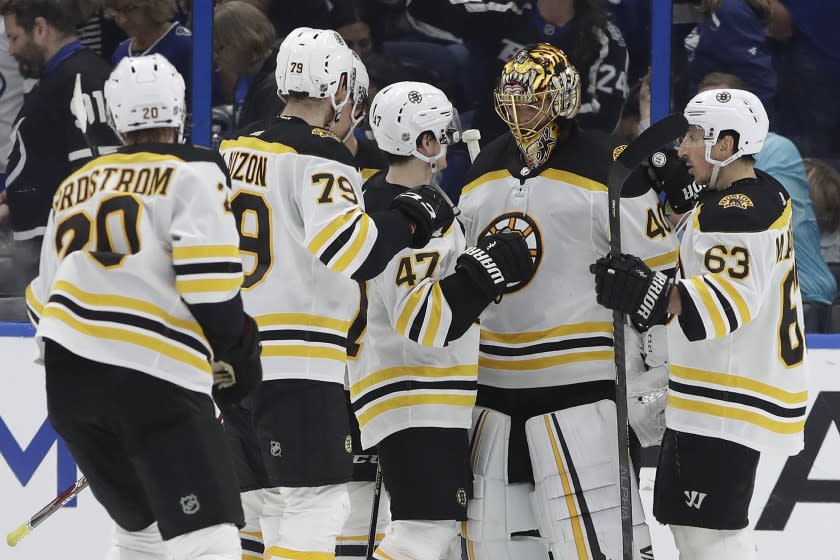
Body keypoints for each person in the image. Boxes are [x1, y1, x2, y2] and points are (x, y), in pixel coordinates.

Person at [219, 27, 456, 560]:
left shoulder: (232, 146)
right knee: (313, 508)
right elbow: (353, 250)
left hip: (237, 361)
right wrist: (410, 219)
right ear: (337, 84)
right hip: (299, 364)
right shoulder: (321, 151)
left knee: (259, 518)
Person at [24, 54, 262, 560]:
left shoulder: (73, 186)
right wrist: (240, 358)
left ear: (112, 117)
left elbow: (40, 301)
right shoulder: (194, 172)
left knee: (143, 537)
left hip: (69, 387)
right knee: (210, 538)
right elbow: (210, 287)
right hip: (153, 382)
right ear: (179, 114)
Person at [456, 42, 677, 560]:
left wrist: (654, 381)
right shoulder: (483, 166)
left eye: (530, 101)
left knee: (595, 544)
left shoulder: (611, 169)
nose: (517, 114)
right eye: (509, 101)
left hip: (580, 389)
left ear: (562, 100)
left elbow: (658, 278)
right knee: (497, 545)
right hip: (491, 391)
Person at [592, 88, 810, 559]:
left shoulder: (730, 213)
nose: (683, 148)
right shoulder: (761, 192)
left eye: (694, 136)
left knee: (709, 536)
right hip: (717, 392)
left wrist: (647, 293)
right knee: (689, 525)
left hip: (724, 397)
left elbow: (723, 307)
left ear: (725, 145)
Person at [349, 80, 534, 560]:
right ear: (423, 142)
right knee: (423, 536)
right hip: (414, 391)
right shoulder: (411, 216)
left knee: (440, 539)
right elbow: (425, 323)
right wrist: (485, 272)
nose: (451, 136)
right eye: (441, 130)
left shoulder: (382, 199)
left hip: (407, 390)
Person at [696, 72, 837, 316]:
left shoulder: (775, 148)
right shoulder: (696, 156)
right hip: (736, 292)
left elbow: (758, 216)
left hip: (801, 291)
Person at [0, 0, 120, 287]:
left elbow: (94, 176)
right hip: (48, 256)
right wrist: (15, 202)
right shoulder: (59, 79)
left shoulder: (81, 79)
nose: (11, 50)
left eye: (14, 38)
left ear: (40, 29)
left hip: (67, 261)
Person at [405, 0, 630, 137]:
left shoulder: (602, 37)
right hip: (492, 147)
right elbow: (423, 10)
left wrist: (537, 117)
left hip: (564, 157)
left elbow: (604, 115)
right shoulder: (502, 13)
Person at [213, 1, 284, 131]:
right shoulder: (246, 76)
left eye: (219, 48)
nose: (215, 56)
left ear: (244, 40)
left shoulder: (275, 84)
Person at [107, 0, 193, 105]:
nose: (122, 20)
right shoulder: (121, 52)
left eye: (130, 9)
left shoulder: (184, 45)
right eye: (117, 11)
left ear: (154, 5)